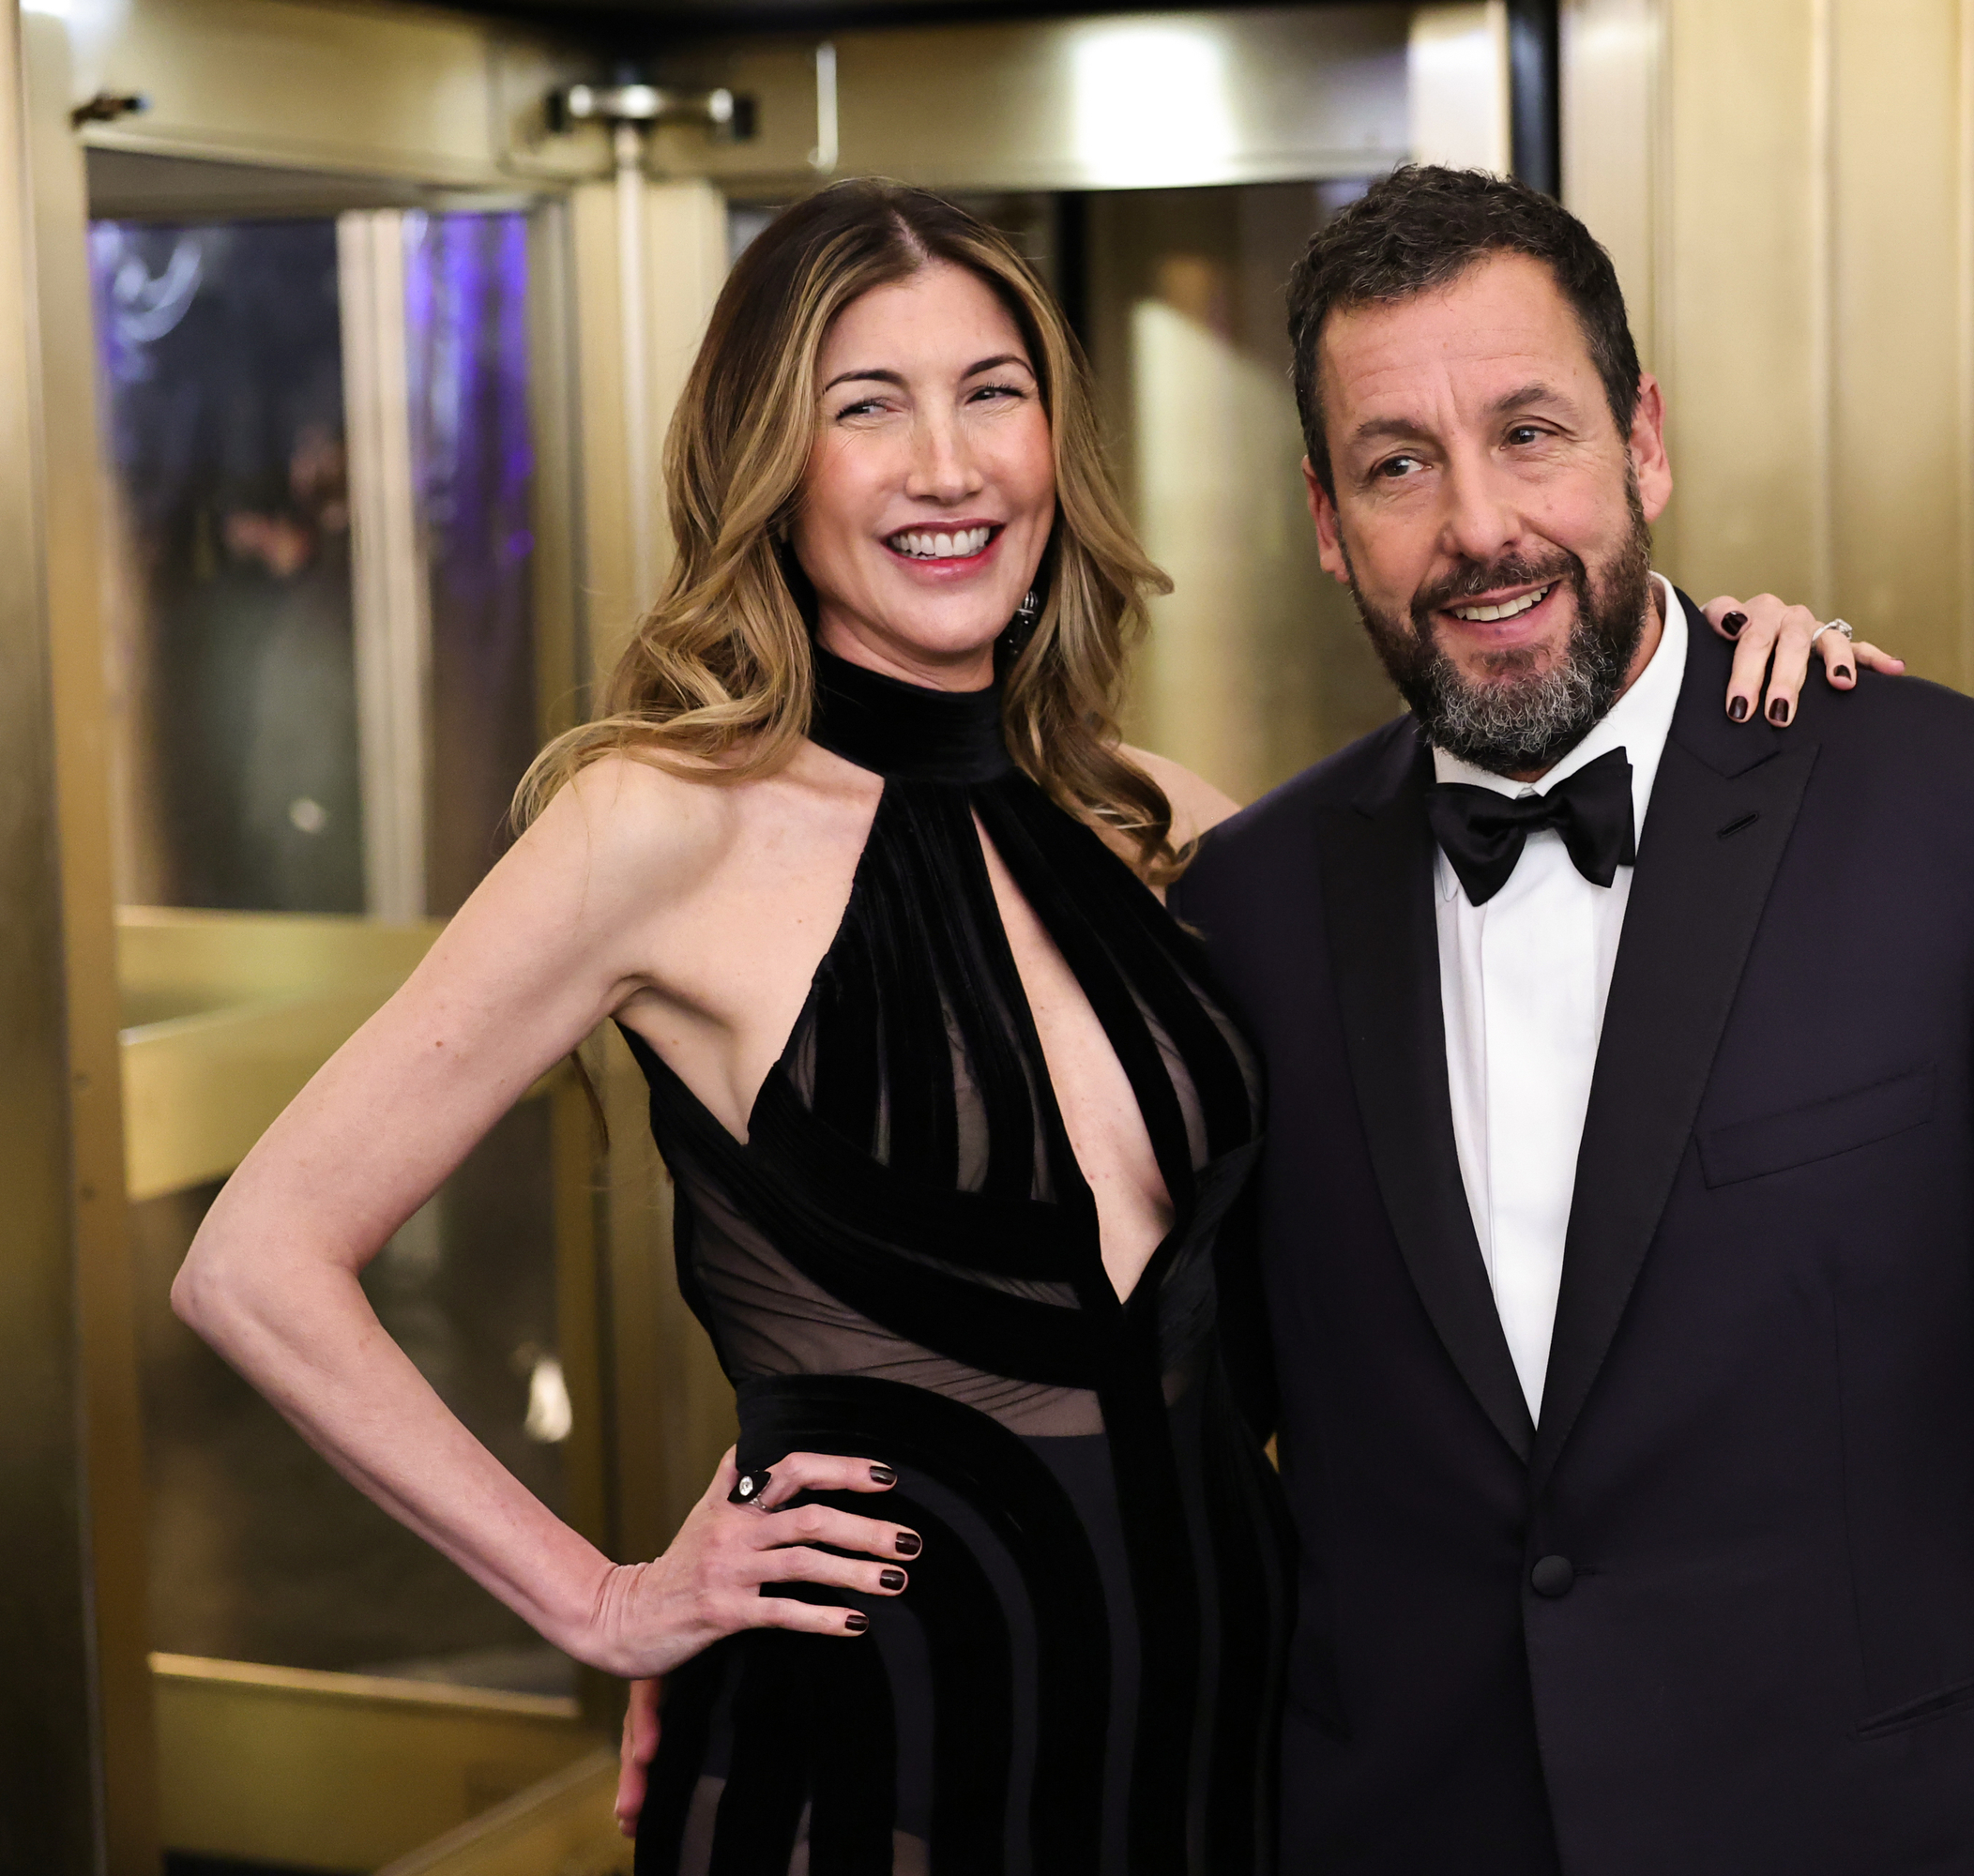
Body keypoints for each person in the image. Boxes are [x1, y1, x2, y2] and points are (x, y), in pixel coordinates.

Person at [172, 178, 1869, 1873]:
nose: (949, 464)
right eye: (867, 407)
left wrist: (1710, 682)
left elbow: (1554, 867)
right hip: (876, 1779)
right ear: (772, 466)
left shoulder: (1161, 827)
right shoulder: (656, 827)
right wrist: (604, 1600)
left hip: (1231, 1769)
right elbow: (256, 1260)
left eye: (993, 393)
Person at [1169, 165, 1974, 1873]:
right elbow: (1178, 1473)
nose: (1478, 525)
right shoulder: (1245, 915)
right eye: (1397, 464)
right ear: (1329, 521)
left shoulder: (1968, 824)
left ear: (1644, 441)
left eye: (1532, 432)